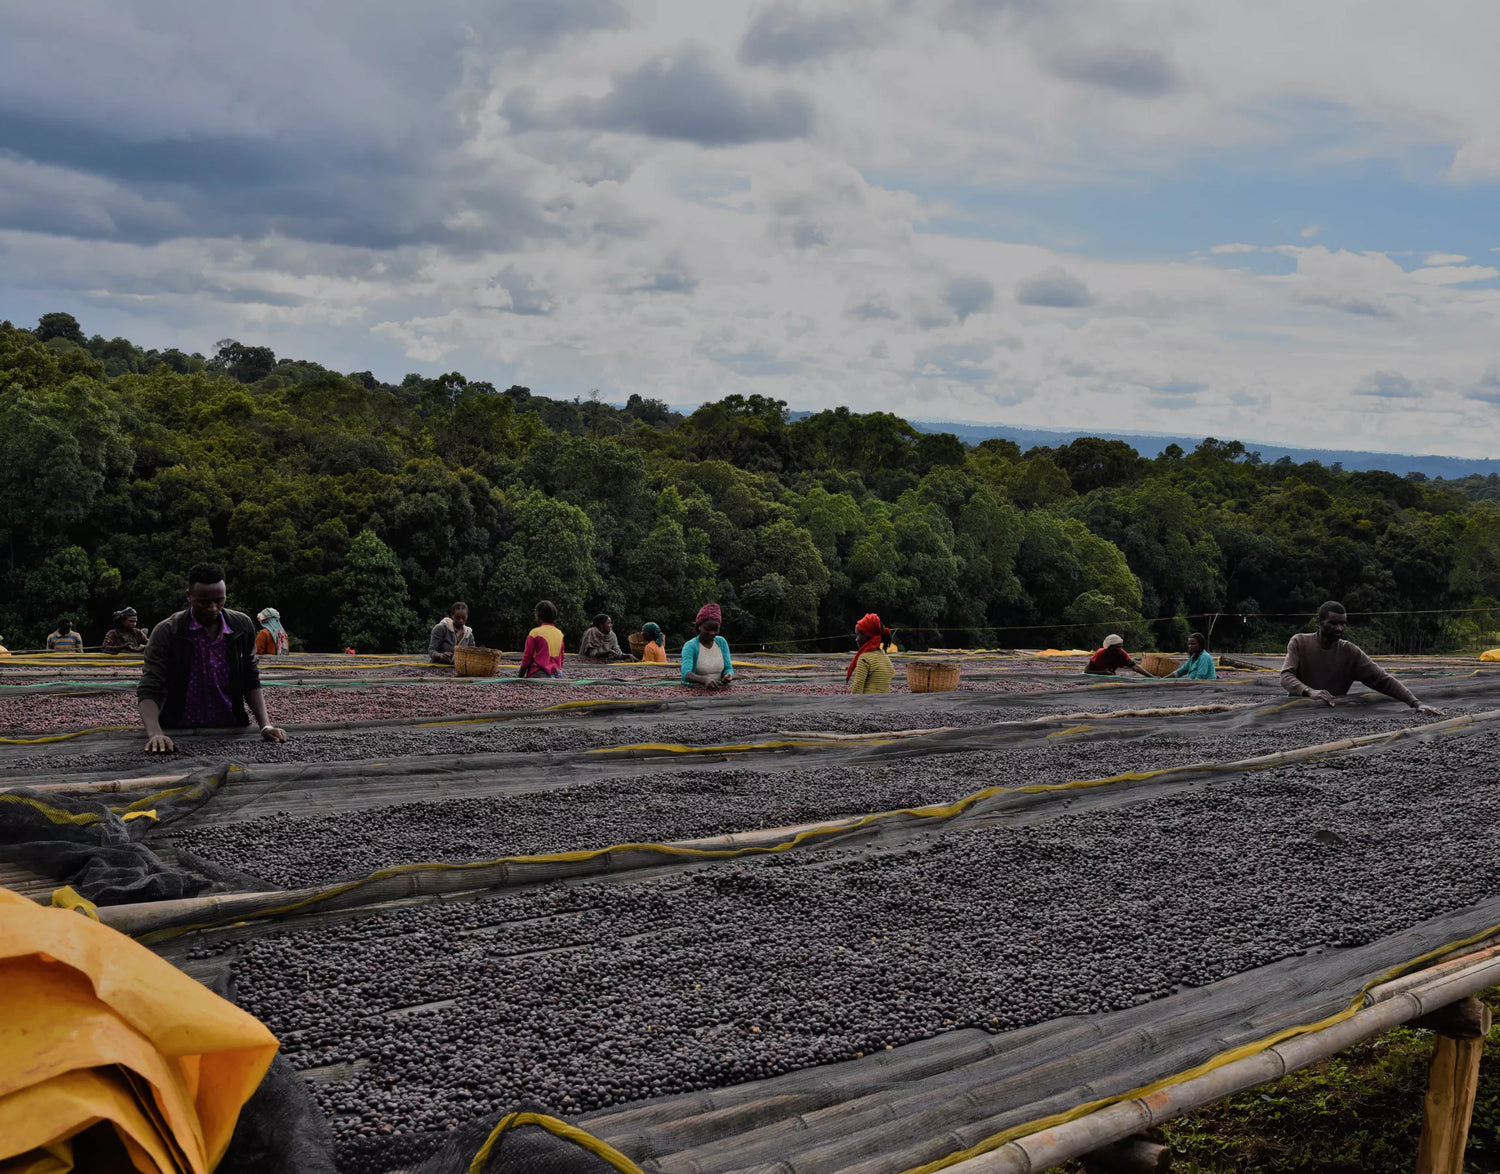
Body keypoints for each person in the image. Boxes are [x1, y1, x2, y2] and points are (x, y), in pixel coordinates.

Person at [137, 562, 287, 753]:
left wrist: (265, 725)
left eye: (219, 600)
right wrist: (156, 733)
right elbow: (150, 686)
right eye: (204, 602)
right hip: (177, 730)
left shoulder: (241, 626)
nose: (213, 608)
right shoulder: (167, 631)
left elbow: (250, 677)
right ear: (189, 596)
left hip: (231, 728)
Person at [1282, 601, 1441, 715]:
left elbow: (1381, 679)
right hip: (1296, 709)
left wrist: (1416, 703)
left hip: (1333, 712)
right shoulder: (1300, 642)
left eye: (1342, 624)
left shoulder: (1349, 651)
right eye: (1333, 623)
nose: (1339, 628)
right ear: (1320, 622)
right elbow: (1286, 676)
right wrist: (1310, 692)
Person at [681, 603, 733, 689]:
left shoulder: (722, 642)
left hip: (719, 689)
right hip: (695, 691)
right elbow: (685, 674)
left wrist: (728, 675)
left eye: (715, 629)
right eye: (707, 629)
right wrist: (704, 680)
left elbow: (728, 668)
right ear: (699, 627)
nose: (712, 633)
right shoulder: (690, 646)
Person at [847, 612, 896, 694]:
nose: (856, 639)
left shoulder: (864, 659)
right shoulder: (886, 659)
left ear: (866, 636)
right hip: (884, 704)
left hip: (867, 704)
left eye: (858, 635)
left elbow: (856, 691)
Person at [519, 600, 566, 678]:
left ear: (537, 614)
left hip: (538, 673)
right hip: (556, 674)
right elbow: (562, 658)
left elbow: (527, 657)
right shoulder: (560, 634)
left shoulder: (535, 633)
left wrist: (520, 676)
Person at [1084, 633, 1151, 677]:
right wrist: (1104, 672)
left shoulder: (1122, 654)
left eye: (1120, 647)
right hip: (1093, 677)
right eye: (1116, 648)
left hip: (1110, 676)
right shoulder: (1100, 653)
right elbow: (1086, 671)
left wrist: (1152, 676)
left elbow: (1135, 667)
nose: (1119, 650)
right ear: (1109, 648)